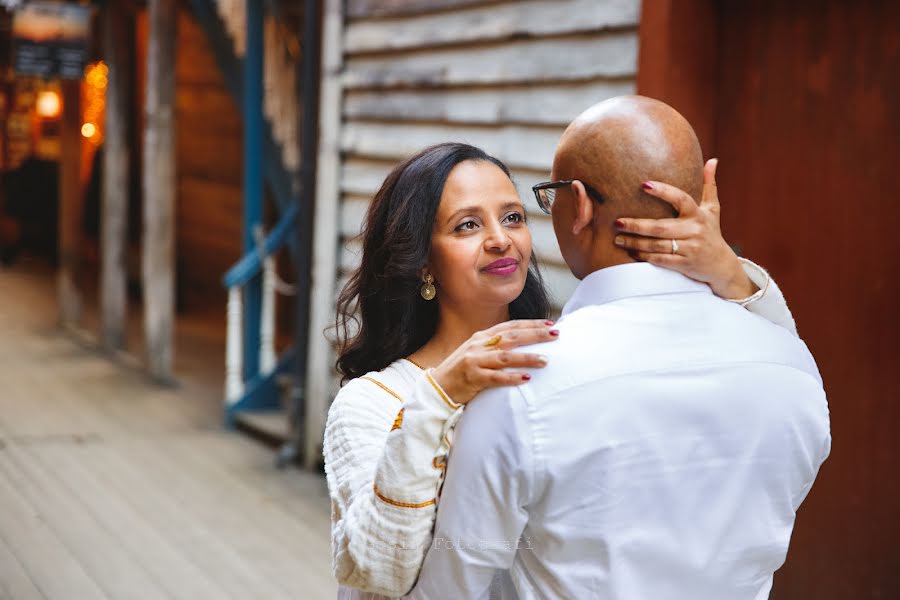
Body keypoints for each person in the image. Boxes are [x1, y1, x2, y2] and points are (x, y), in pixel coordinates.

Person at [324, 140, 798, 600]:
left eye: (512, 217)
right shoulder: (372, 403)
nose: (500, 239)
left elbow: (788, 371)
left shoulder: (563, 362)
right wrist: (439, 395)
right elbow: (375, 570)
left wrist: (728, 274)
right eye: (467, 225)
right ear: (422, 260)